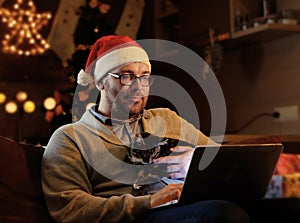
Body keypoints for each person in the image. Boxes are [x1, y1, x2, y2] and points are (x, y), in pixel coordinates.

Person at [41, 35, 249, 223]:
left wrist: (195, 162)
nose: (139, 87)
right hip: (137, 217)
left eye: (144, 76)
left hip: (184, 208)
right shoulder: (70, 138)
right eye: (127, 76)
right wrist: (148, 202)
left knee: (262, 205)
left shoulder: (167, 119)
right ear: (101, 82)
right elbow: (69, 208)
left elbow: (225, 163)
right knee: (222, 214)